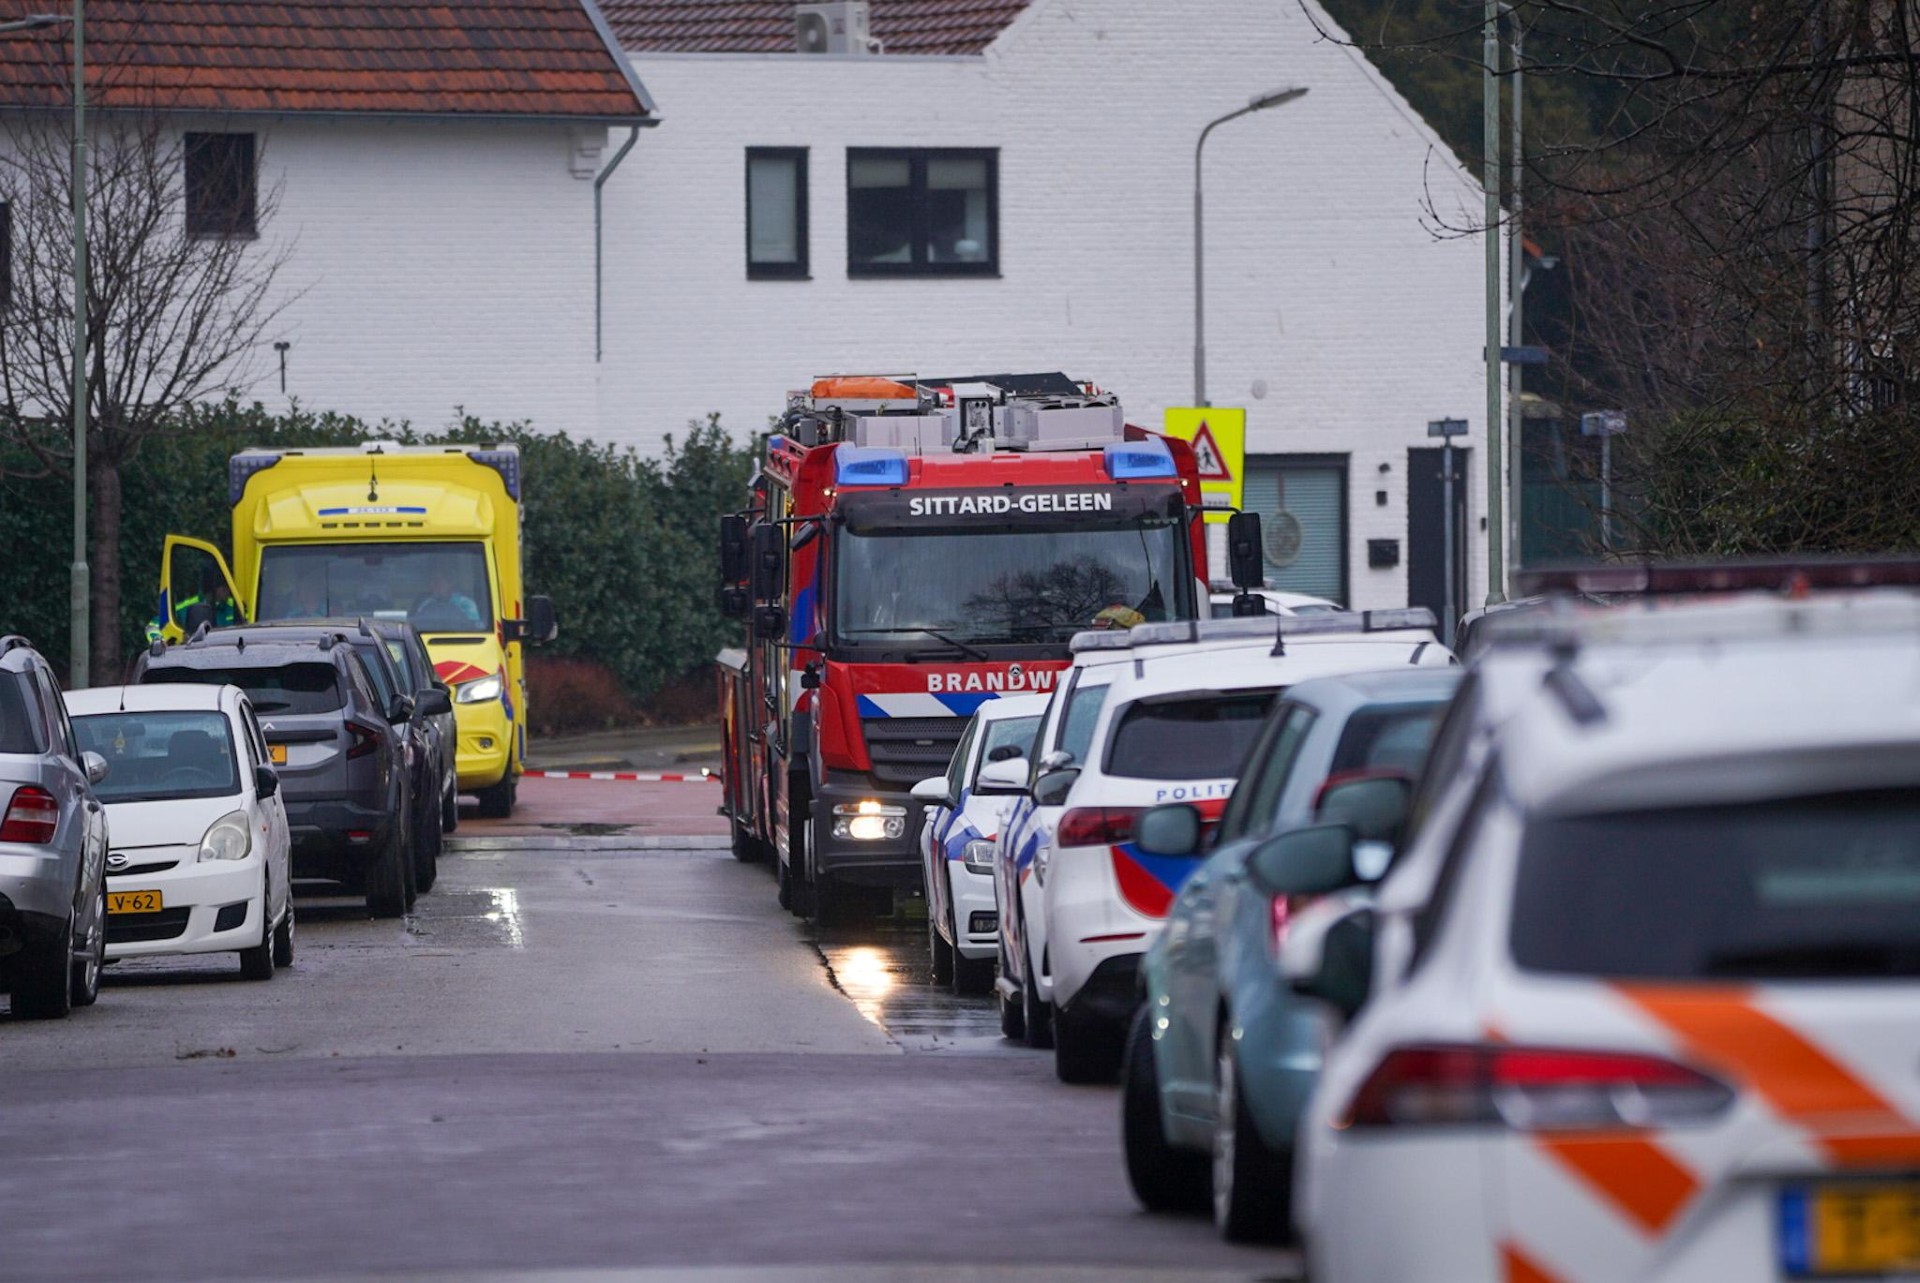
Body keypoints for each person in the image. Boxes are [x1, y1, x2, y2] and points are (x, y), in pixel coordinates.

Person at [146, 574, 240, 642]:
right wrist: (159, 641)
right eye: (224, 587)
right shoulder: (188, 607)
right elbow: (153, 625)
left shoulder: (236, 607)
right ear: (214, 588)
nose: (228, 591)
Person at [414, 567, 482, 628]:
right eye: (431, 582)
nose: (433, 585)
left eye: (438, 581)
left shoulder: (466, 604)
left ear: (450, 583)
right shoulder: (426, 604)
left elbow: (476, 627)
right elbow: (416, 626)